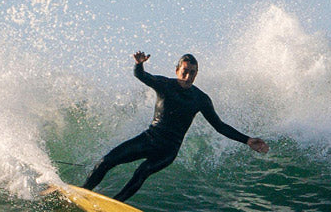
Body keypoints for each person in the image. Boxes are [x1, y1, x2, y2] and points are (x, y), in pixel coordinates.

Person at [80, 52, 269, 201]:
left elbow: (219, 126)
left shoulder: (200, 99)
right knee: (106, 161)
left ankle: (116, 204)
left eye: (192, 72)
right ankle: (82, 193)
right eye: (184, 71)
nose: (188, 76)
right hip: (149, 140)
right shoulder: (165, 84)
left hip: (168, 150)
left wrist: (247, 140)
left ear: (197, 73)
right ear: (177, 70)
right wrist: (138, 64)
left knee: (142, 172)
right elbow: (142, 76)